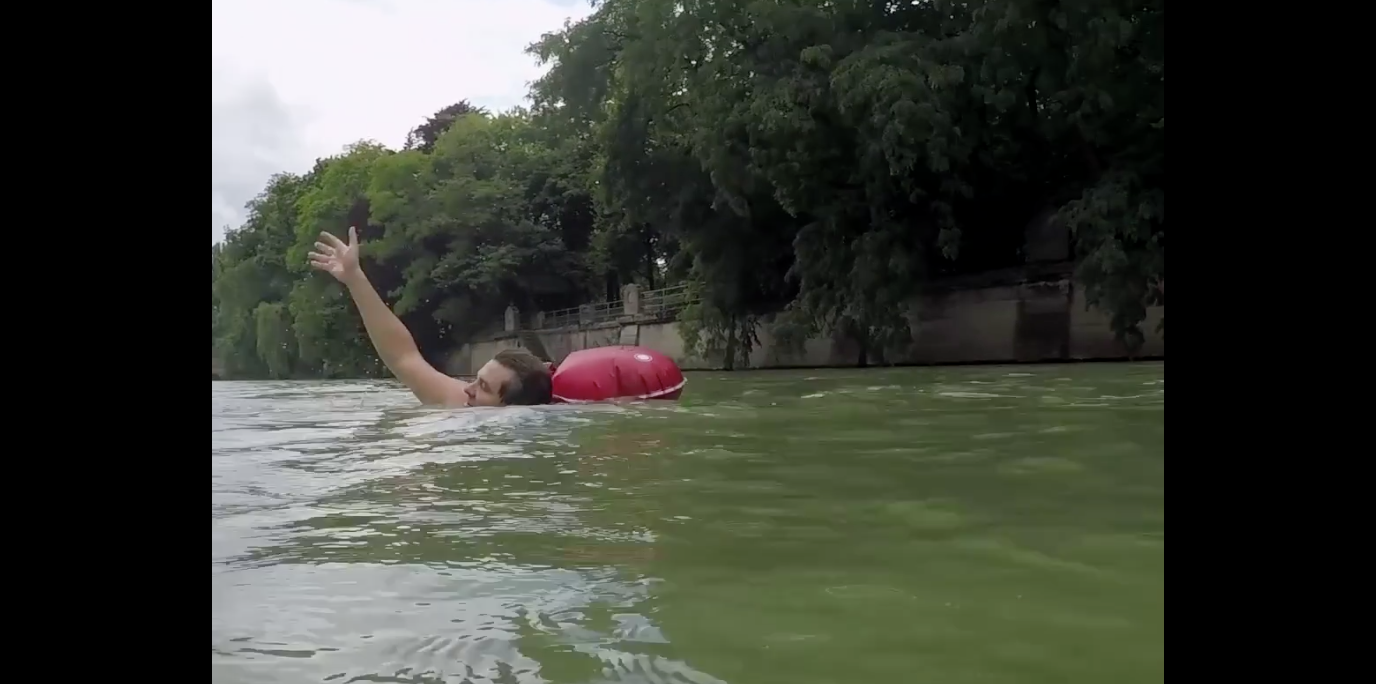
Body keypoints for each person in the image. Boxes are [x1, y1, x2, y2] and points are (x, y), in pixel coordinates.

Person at [308, 227, 552, 408]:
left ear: (508, 409)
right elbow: (404, 357)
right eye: (476, 380)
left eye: (483, 387)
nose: (468, 389)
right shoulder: (462, 402)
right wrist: (354, 278)